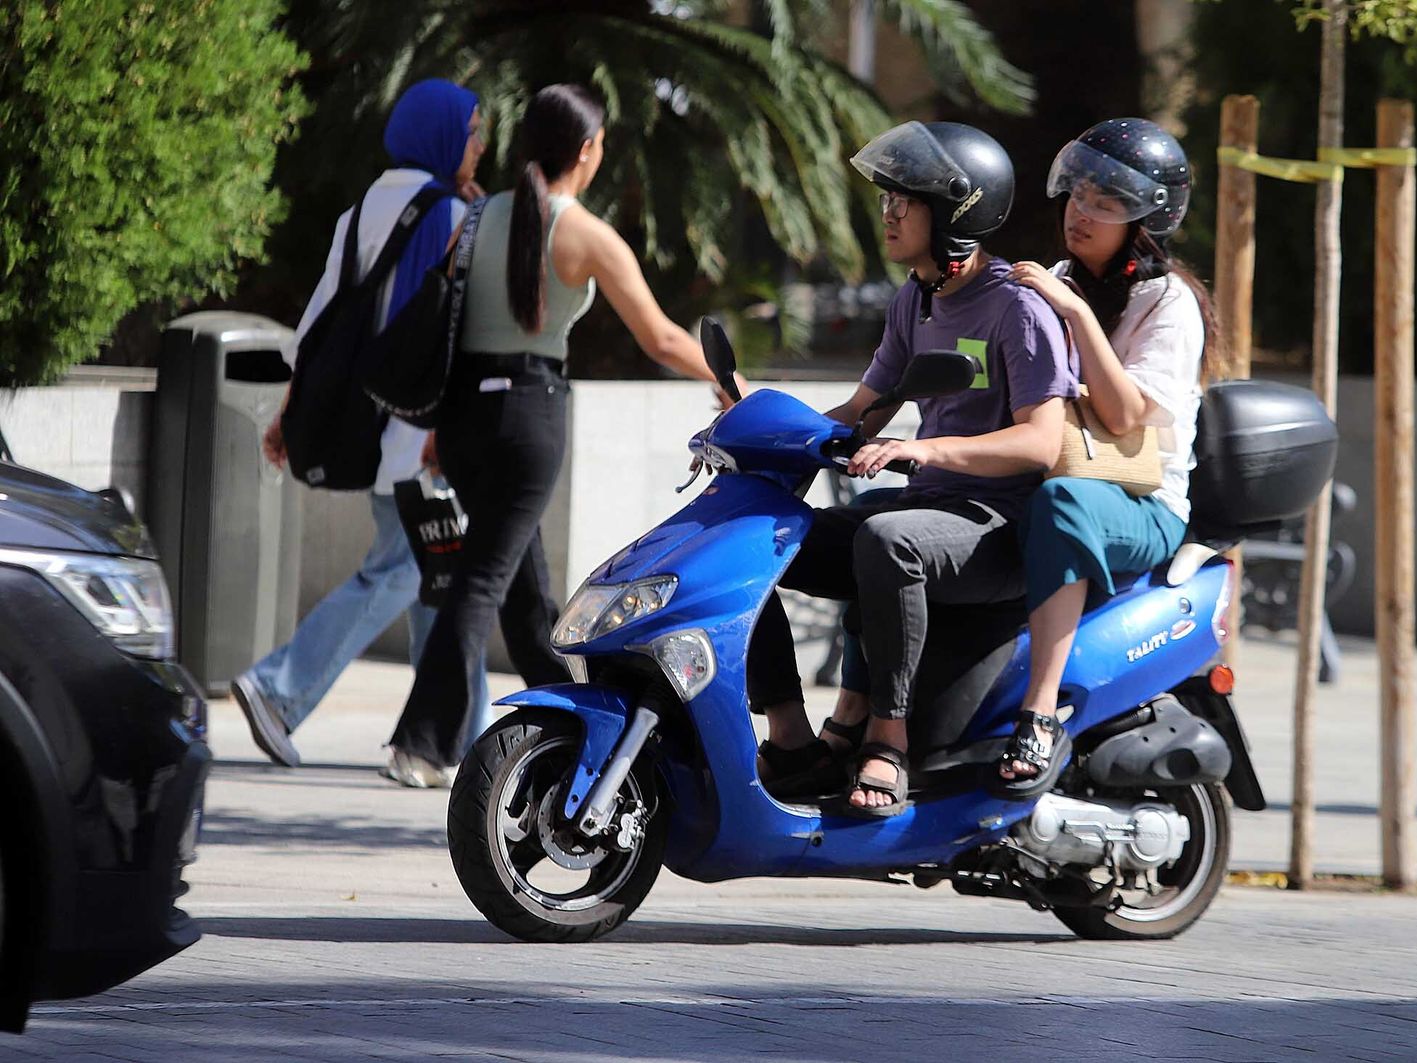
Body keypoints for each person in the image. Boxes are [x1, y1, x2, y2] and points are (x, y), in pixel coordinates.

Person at [383, 84, 736, 786]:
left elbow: (449, 320)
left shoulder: (477, 216)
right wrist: (731, 385)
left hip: (462, 421)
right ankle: (422, 742)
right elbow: (663, 336)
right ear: (586, 149)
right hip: (525, 418)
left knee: (523, 587)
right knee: (484, 581)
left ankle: (572, 725)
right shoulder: (583, 231)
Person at [748, 120, 1076, 817]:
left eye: (908, 199)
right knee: (755, 540)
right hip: (930, 506)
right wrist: (753, 434)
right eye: (888, 197)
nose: (890, 213)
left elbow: (1042, 442)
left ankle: (886, 743)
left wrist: (923, 450)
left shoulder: (1018, 309)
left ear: (959, 213)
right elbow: (864, 408)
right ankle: (789, 731)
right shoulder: (916, 298)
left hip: (997, 527)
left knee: (887, 540)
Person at [234, 79, 492, 769]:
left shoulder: (360, 211)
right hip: (422, 431)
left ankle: (442, 745)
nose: (481, 144)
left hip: (376, 427)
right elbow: (460, 330)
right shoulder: (451, 216)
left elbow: (319, 322)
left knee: (439, 576)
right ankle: (277, 689)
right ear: (440, 136)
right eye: (473, 131)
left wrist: (289, 415)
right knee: (409, 571)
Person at [994, 117, 1223, 796]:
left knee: (1061, 502)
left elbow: (1124, 415)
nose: (1082, 212)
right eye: (1079, 194)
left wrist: (1075, 314)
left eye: (1107, 203)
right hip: (1057, 470)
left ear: (1147, 221)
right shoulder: (1059, 278)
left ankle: (1037, 713)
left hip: (1144, 504)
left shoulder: (1168, 302)